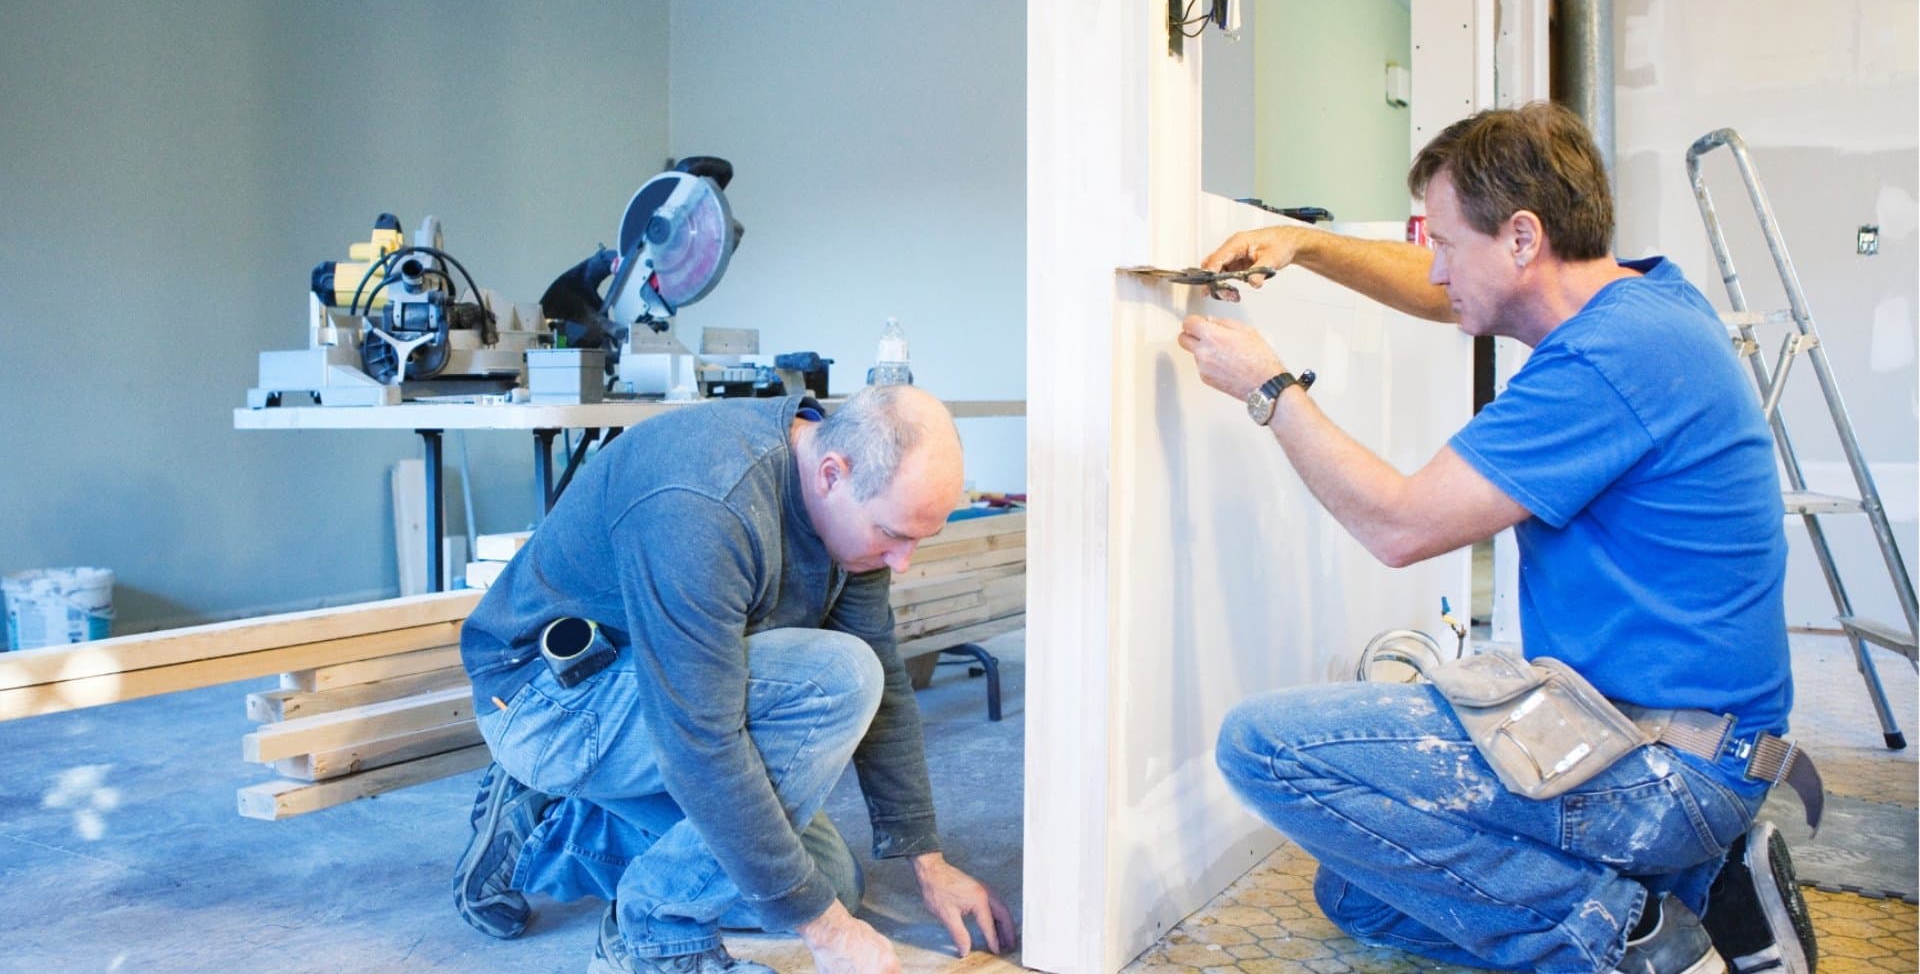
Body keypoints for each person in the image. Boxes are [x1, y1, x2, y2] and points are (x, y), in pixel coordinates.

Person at [1176, 102, 1817, 974]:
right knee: (1357, 890)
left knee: (1261, 746)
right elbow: (1453, 295)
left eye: (1443, 241)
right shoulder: (1645, 303)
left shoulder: (1602, 364)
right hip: (1676, 736)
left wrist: (1268, 388)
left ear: (1522, 238)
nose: (1434, 269)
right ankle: (1708, 891)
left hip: (1662, 762)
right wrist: (1304, 243)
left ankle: (1636, 939)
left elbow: (1398, 526)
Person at [452, 385, 1016, 974]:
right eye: (895, 535)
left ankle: (545, 828)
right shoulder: (704, 501)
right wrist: (825, 934)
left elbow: (888, 692)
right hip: (547, 704)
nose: (904, 562)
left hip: (659, 696)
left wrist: (927, 861)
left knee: (825, 884)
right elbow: (699, 739)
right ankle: (655, 933)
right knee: (836, 681)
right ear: (832, 473)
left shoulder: (850, 522)